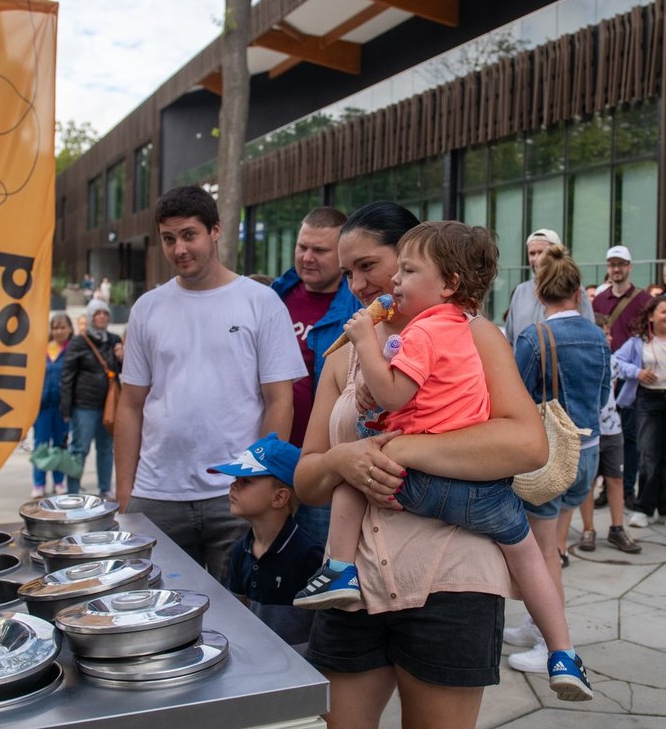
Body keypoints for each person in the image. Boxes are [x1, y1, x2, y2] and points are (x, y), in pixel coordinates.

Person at [294, 222, 591, 700]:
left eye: (373, 267)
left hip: (452, 580)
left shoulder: (468, 334)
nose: (361, 286)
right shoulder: (345, 356)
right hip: (366, 593)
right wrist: (340, 461)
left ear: (440, 275)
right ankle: (563, 651)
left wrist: (400, 449)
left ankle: (337, 568)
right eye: (348, 272)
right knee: (530, 554)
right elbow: (307, 480)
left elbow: (528, 445)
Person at [115, 185, 306, 585]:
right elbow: (130, 405)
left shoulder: (261, 301)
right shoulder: (148, 308)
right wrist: (125, 494)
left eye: (189, 235)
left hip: (233, 495)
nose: (179, 249)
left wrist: (261, 481)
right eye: (169, 239)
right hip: (157, 494)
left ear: (215, 231)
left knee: (241, 623)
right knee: (154, 618)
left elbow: (279, 402)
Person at [507, 245, 610, 675]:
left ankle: (554, 643)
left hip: (547, 459)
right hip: (587, 455)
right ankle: (536, 623)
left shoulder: (534, 336)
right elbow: (602, 397)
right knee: (553, 548)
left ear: (539, 291)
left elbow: (514, 400)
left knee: (545, 554)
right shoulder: (598, 336)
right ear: (577, 291)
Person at [271, 207, 363, 547]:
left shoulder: (358, 306)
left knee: (316, 563)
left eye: (320, 250)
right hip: (273, 456)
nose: (307, 257)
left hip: (324, 464)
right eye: (301, 247)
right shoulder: (275, 296)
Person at [209, 433, 323, 650]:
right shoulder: (239, 550)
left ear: (279, 497)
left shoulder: (309, 555)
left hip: (300, 673)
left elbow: (326, 625)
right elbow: (237, 613)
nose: (233, 487)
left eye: (245, 481)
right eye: (235, 480)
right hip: (256, 666)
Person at [593, 245, 652, 508]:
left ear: (629, 266)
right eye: (612, 265)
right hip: (602, 375)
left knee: (628, 438)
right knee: (603, 437)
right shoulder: (599, 299)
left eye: (621, 264)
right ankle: (606, 488)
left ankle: (626, 489)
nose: (616, 269)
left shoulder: (643, 299)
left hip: (630, 379)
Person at [577, 314, 641, 553]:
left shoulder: (613, 361)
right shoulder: (582, 361)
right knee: (588, 482)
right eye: (605, 333)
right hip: (589, 429)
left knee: (616, 478)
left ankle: (617, 528)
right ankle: (588, 529)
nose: (610, 337)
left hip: (613, 429)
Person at [61, 298, 122, 496]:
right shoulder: (79, 342)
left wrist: (122, 358)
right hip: (84, 405)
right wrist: (66, 407)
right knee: (79, 448)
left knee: (106, 448)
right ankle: (72, 489)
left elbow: (122, 372)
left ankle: (105, 488)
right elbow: (68, 375)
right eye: (98, 314)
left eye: (105, 313)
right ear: (90, 317)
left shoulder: (114, 340)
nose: (102, 317)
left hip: (109, 405)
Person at [617, 295, 666, 528]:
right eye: (663, 311)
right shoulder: (639, 341)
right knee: (648, 455)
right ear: (651, 316)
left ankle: (663, 507)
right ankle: (643, 508)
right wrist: (637, 372)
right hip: (648, 400)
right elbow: (616, 360)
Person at [503, 228, 593, 346]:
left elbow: (589, 332)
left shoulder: (574, 290)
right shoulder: (520, 291)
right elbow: (510, 339)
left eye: (541, 252)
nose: (536, 259)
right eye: (532, 253)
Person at [31, 312, 73, 497]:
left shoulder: (73, 349)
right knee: (40, 444)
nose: (58, 331)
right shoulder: (42, 348)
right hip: (42, 407)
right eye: (55, 327)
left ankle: (59, 481)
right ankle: (39, 484)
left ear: (70, 329)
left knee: (60, 445)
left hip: (63, 407)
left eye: (62, 327)